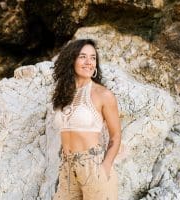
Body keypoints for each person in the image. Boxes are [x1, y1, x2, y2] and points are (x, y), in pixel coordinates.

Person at [52, 39, 121, 200]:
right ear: (72, 60)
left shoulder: (103, 94)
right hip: (67, 168)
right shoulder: (63, 95)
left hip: (93, 165)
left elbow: (116, 136)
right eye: (83, 57)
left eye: (93, 58)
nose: (89, 62)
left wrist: (105, 167)